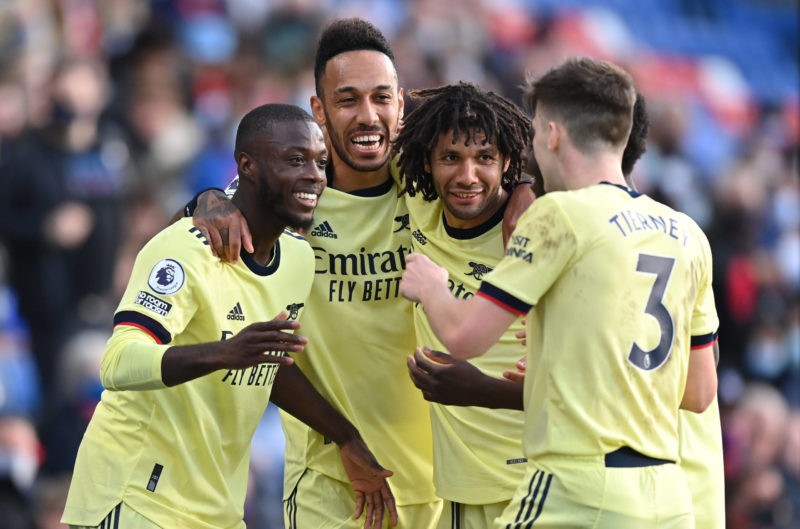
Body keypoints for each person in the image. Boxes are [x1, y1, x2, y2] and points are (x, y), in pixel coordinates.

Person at [399, 57, 720, 528]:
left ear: (550, 135)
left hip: (577, 485)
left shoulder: (561, 216)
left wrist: (432, 286)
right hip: (665, 495)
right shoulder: (687, 232)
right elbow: (698, 392)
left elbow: (464, 338)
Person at [61, 103, 396, 529]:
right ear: (247, 166)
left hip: (217, 508)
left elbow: (267, 364)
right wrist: (225, 352)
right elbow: (117, 362)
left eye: (320, 162)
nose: (314, 175)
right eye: (295, 160)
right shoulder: (186, 248)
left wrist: (346, 437)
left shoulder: (297, 260)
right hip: (134, 496)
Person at [190, 18, 441, 529]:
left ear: (401, 104)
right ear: (319, 112)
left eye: (381, 98)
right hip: (332, 488)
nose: (368, 116)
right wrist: (207, 198)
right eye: (348, 100)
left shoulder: (434, 182)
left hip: (442, 487)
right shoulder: (290, 197)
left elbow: (510, 170)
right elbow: (200, 221)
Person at [508, 92, 727, 529]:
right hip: (685, 495)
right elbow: (702, 386)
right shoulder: (681, 235)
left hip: (612, 492)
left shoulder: (578, 234)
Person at [392, 82, 532, 529]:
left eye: (485, 158)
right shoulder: (418, 204)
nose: (467, 175)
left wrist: (529, 187)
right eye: (451, 158)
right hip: (460, 490)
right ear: (426, 163)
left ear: (508, 162)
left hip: (537, 483)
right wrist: (212, 197)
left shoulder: (539, 232)